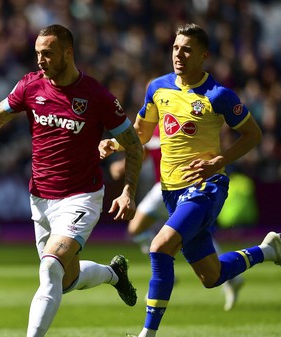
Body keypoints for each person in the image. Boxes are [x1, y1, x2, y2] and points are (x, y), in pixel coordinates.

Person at [108, 23, 281, 337]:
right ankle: (268, 251)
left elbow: (253, 135)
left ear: (204, 55)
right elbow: (140, 132)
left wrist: (220, 161)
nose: (179, 55)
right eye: (175, 48)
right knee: (211, 277)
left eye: (187, 50)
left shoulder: (218, 95)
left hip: (205, 188)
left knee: (160, 246)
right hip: (170, 192)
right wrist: (114, 142)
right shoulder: (157, 88)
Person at [0, 24, 144, 337]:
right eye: (37, 54)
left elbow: (133, 145)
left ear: (68, 53)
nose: (40, 60)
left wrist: (128, 191)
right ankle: (112, 274)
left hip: (82, 197)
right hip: (40, 199)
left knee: (49, 268)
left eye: (47, 53)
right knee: (64, 280)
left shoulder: (97, 96)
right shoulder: (30, 85)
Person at [100, 125, 245, 312]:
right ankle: (172, 265)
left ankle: (230, 276)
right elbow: (143, 152)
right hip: (163, 188)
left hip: (185, 185)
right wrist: (123, 165)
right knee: (139, 229)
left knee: (191, 235)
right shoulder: (153, 125)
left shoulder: (179, 120)